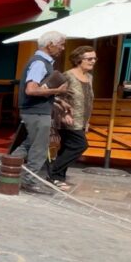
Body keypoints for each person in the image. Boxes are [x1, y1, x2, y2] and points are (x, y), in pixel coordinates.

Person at [11, 31, 68, 193]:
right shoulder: (40, 63)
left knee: (30, 143)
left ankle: (5, 168)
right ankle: (29, 181)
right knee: (39, 148)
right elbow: (31, 90)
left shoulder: (41, 62)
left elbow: (37, 90)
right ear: (50, 45)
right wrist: (57, 91)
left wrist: (57, 100)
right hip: (36, 112)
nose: (62, 48)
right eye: (61, 44)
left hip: (35, 110)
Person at [49, 45, 96, 191]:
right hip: (67, 118)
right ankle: (53, 171)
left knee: (67, 147)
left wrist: (87, 121)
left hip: (82, 119)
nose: (93, 61)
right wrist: (64, 113)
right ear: (78, 59)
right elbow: (53, 95)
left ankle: (57, 178)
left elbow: (88, 100)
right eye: (89, 58)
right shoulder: (67, 75)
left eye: (95, 58)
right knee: (80, 145)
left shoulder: (89, 77)